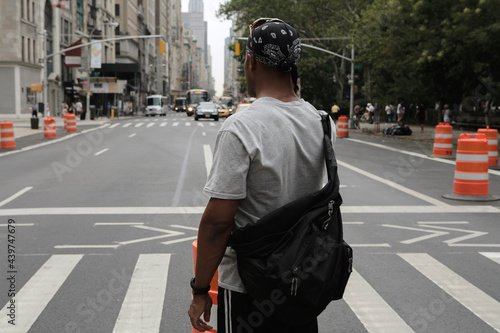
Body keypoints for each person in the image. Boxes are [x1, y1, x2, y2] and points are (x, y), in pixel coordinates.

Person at [188, 18, 335, 333]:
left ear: (251, 62)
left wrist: (200, 290)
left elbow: (217, 223)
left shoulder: (242, 127)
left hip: (248, 287)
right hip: (300, 283)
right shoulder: (322, 122)